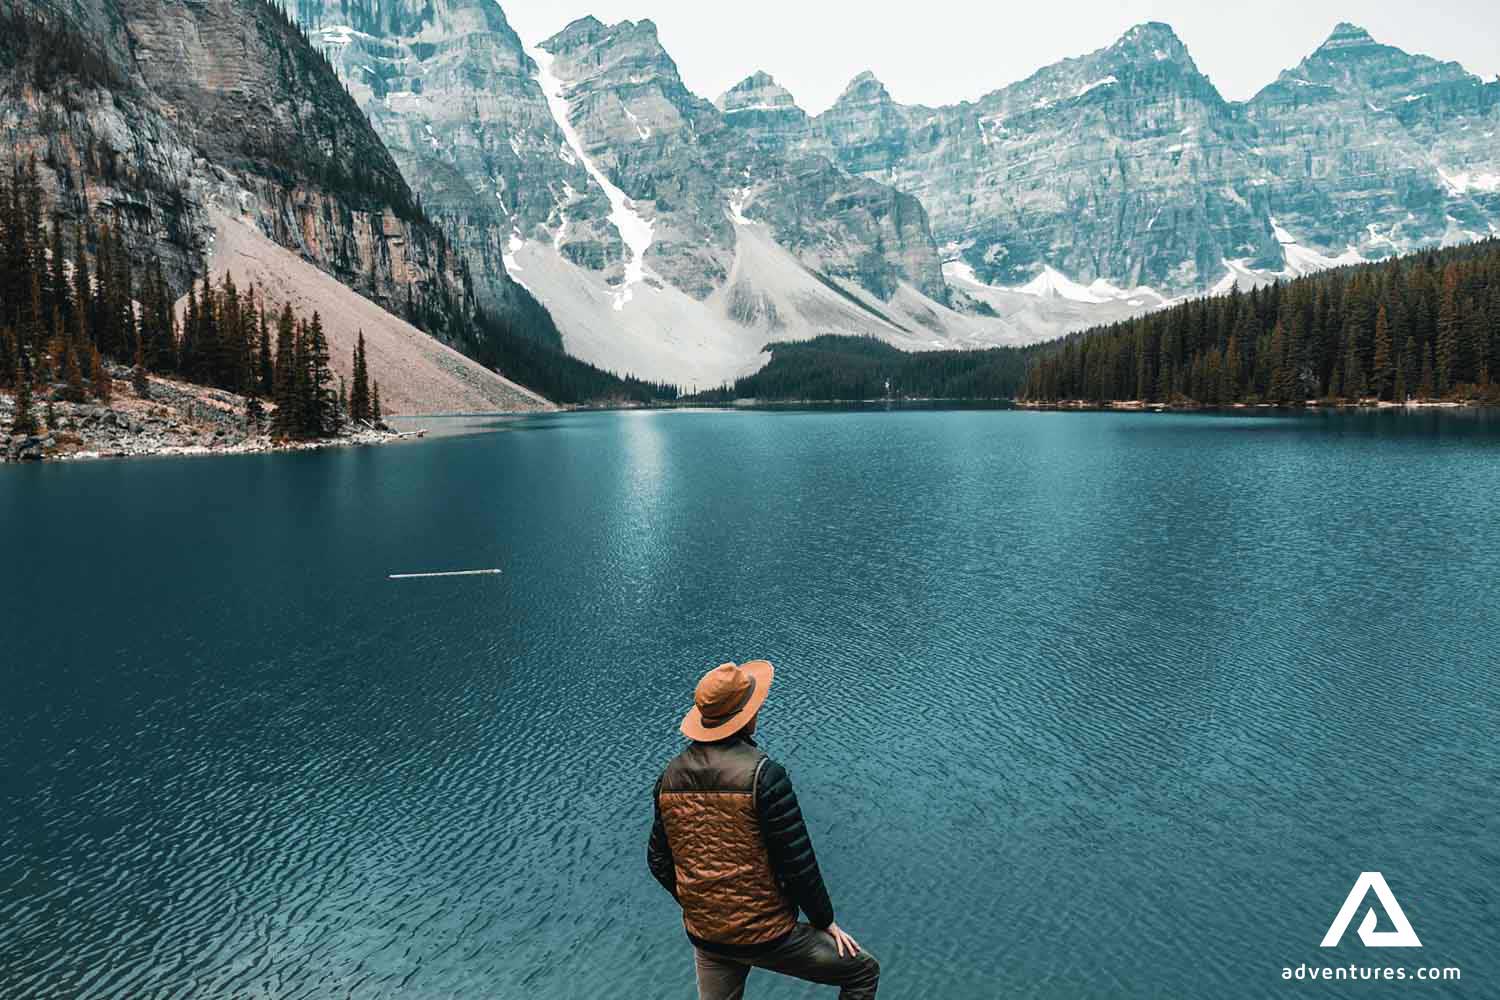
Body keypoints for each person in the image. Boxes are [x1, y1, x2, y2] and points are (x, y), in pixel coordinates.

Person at [647, 660, 880, 999]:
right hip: (768, 935)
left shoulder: (669, 778)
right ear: (745, 717)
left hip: (708, 936)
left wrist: (702, 906)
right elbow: (797, 863)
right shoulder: (763, 776)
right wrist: (823, 921)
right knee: (862, 971)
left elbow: (658, 860)